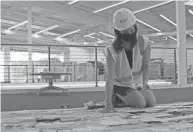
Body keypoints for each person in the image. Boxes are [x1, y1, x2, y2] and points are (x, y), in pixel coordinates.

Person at [102, 8, 156, 112]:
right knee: (141, 103)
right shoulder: (111, 50)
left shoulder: (144, 43)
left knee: (151, 102)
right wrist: (108, 103)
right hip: (121, 85)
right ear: (118, 32)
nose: (129, 33)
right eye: (125, 32)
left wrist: (144, 83)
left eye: (131, 30)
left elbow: (146, 66)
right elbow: (110, 78)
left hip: (138, 83)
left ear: (135, 27)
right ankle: (117, 97)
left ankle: (135, 95)